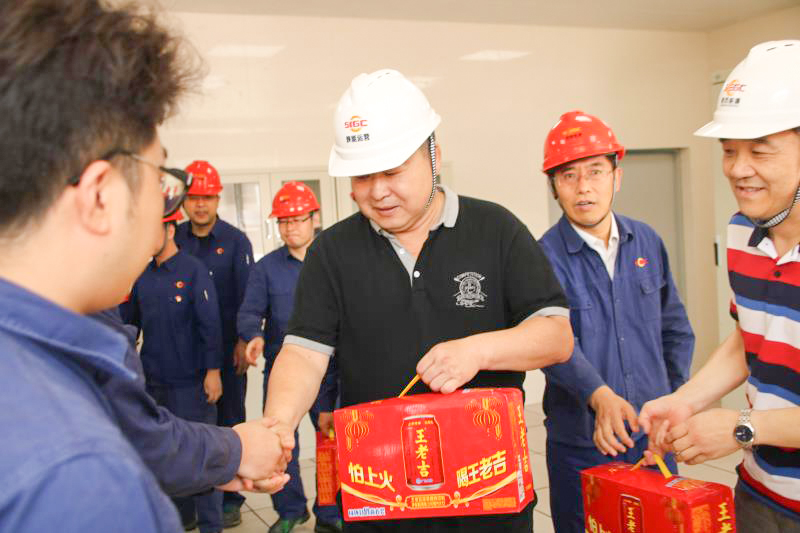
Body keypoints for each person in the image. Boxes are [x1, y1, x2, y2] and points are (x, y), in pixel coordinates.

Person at [261, 69, 574, 532]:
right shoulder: (332, 252)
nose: (377, 191)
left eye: (392, 171)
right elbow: (305, 353)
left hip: (486, 493)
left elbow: (555, 336)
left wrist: (478, 351)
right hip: (380, 495)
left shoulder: (496, 230)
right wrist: (277, 424)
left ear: (434, 155)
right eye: (362, 175)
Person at [639, 40, 800, 531]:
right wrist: (686, 400)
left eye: (759, 151)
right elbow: (751, 337)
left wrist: (742, 427)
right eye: (729, 151)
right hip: (759, 491)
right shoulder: (741, 231)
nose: (737, 169)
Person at [536, 110, 695, 533]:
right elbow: (550, 347)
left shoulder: (647, 241)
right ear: (554, 187)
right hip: (583, 442)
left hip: (652, 435)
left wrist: (674, 402)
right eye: (568, 176)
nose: (584, 187)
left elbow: (675, 328)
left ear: (616, 177)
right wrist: (598, 396)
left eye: (595, 171)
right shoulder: (541, 258)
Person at [238, 181, 342, 533]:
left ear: (314, 219)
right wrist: (253, 335)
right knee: (280, 444)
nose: (290, 228)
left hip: (329, 373)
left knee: (330, 444)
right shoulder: (266, 268)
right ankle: (291, 509)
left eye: (297, 219)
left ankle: (330, 513)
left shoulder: (332, 263)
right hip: (282, 370)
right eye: (283, 221)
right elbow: (250, 311)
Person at [121, 209, 226, 533]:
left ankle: (211, 525)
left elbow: (210, 325)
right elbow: (129, 324)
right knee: (166, 456)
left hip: (192, 384)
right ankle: (179, 521)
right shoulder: (142, 275)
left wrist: (213, 372)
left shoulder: (193, 271)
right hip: (155, 383)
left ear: (169, 230)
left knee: (202, 457)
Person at [175, 159, 254, 526]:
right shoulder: (174, 238)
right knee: (188, 426)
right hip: (184, 353)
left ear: (218, 199)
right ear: (184, 201)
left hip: (227, 351)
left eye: (207, 197)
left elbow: (248, 297)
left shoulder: (236, 241)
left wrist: (243, 341)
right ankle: (194, 500)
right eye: (194, 197)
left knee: (229, 423)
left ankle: (230, 499)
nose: (200, 204)